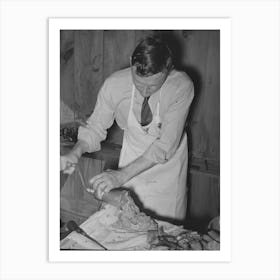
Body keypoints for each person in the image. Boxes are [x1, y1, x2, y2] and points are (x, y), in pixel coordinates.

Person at [60, 36, 194, 222]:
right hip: (131, 163)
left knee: (165, 236)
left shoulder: (181, 86)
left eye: (154, 85)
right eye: (139, 83)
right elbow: (95, 127)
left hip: (167, 172)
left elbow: (165, 146)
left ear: (168, 70)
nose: (145, 91)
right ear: (132, 64)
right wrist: (75, 152)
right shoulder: (114, 85)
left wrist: (120, 176)